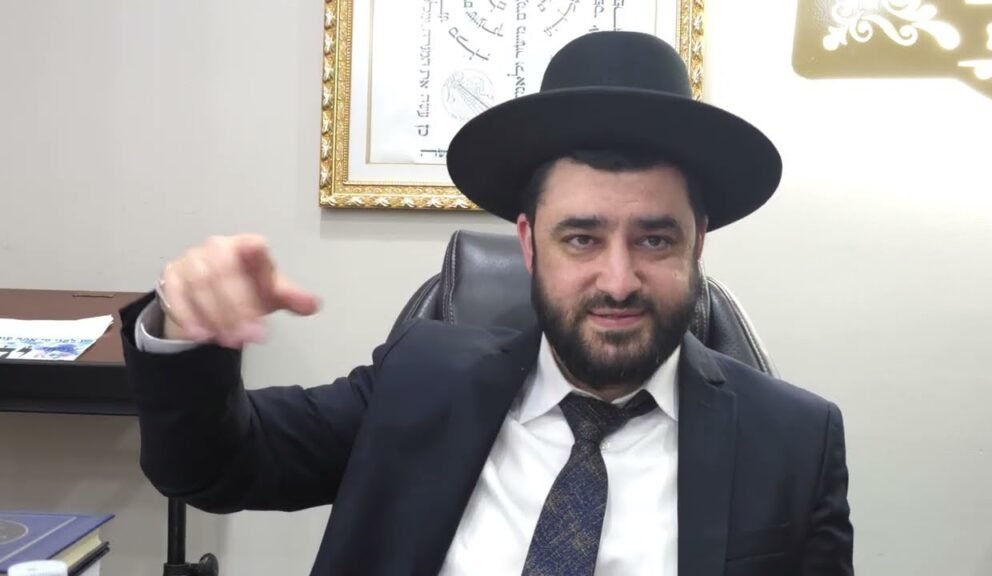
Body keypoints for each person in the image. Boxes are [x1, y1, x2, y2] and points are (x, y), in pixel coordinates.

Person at [120, 31, 853, 575]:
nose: (619, 280)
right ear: (529, 244)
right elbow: (212, 468)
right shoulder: (423, 377)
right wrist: (187, 333)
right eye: (582, 239)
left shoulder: (794, 441)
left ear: (699, 246)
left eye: (656, 240)